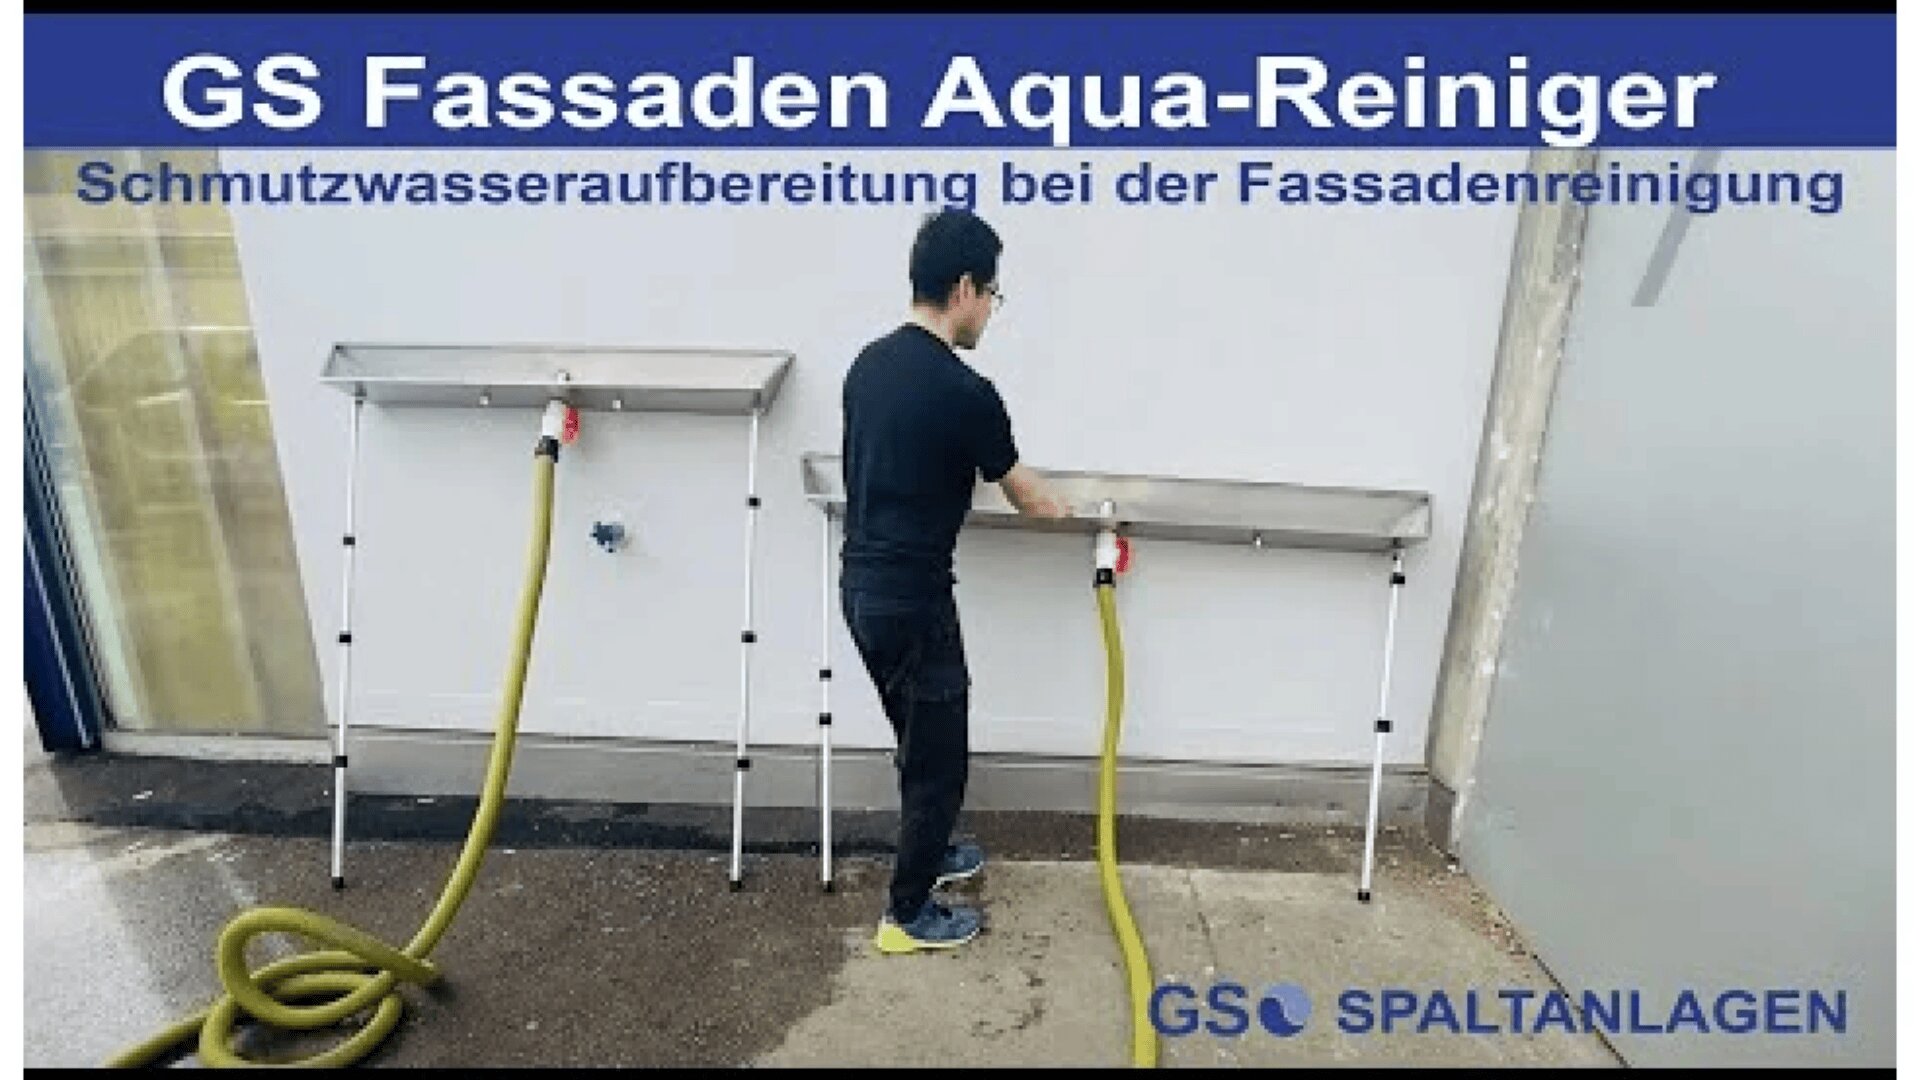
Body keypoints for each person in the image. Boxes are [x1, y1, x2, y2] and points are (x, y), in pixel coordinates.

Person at [840, 208, 1069, 954]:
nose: (991, 315)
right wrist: (1074, 510)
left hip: (864, 592)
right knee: (939, 755)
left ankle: (932, 852)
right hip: (915, 600)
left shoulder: (867, 366)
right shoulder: (965, 392)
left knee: (917, 735)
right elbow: (1027, 494)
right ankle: (905, 916)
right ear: (964, 287)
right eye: (992, 297)